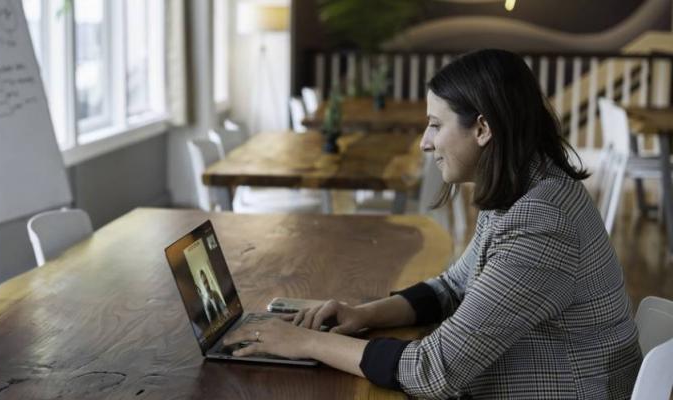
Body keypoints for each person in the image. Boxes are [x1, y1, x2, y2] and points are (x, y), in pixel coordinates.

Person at [224, 49, 642, 399]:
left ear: (482, 128)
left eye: (436, 125)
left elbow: (434, 371)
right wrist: (362, 314)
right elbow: (453, 286)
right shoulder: (522, 186)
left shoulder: (542, 220)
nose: (425, 142)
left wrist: (307, 343)